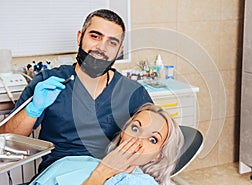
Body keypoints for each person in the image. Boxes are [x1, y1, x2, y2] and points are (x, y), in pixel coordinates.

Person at [0, 9, 152, 173]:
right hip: (59, 176)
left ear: (120, 50)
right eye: (95, 36)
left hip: (111, 174)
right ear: (80, 37)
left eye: (112, 42)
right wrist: (33, 110)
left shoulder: (133, 92)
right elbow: (6, 139)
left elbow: (158, 138)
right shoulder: (49, 81)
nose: (101, 47)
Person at [23, 103, 184, 185]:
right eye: (135, 128)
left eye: (152, 139)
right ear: (123, 132)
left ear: (158, 155)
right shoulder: (78, 161)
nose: (137, 140)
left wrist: (102, 172)